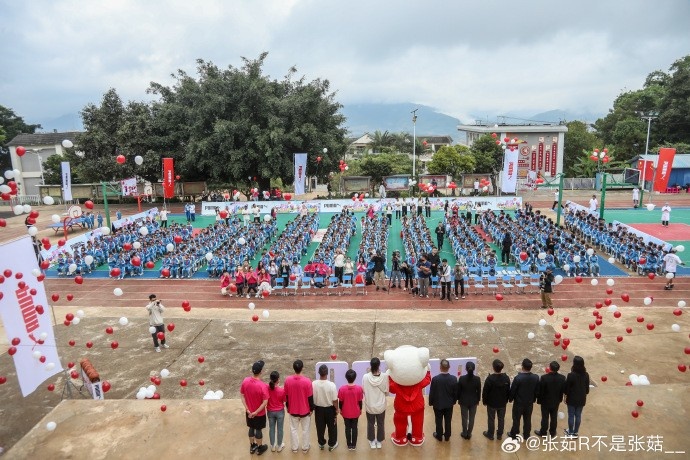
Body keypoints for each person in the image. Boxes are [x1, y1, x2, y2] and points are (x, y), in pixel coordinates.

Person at [283, 359, 314, 453]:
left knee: (293, 429)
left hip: (293, 410)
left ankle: (294, 448)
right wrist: (311, 409)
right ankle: (305, 448)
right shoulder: (307, 381)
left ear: (293, 368)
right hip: (305, 410)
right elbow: (310, 397)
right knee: (305, 430)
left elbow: (286, 396)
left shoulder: (287, 380)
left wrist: (288, 407)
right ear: (302, 368)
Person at [240, 360, 270, 455]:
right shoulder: (262, 386)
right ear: (261, 372)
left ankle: (252, 446)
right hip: (259, 414)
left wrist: (247, 409)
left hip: (249, 412)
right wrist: (256, 412)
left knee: (251, 428)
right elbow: (265, 402)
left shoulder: (245, 381)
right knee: (258, 430)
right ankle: (260, 447)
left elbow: (242, 395)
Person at [507, 358, 539, 440]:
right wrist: (534, 399)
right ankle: (526, 434)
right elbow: (536, 390)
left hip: (519, 403)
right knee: (528, 419)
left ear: (522, 367)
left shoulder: (518, 378)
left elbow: (513, 390)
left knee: (516, 419)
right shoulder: (535, 377)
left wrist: (510, 399)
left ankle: (514, 434)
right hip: (529, 403)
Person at [535, 361, 566, 438]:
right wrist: (560, 399)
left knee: (545, 417)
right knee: (554, 417)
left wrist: (539, 400)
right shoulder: (562, 378)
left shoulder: (544, 378)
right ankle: (552, 432)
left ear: (550, 368)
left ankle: (543, 432)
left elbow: (541, 391)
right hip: (556, 401)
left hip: (545, 401)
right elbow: (562, 390)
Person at [428, 358, 457, 442]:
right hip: (449, 404)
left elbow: (432, 392)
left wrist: (430, 402)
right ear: (449, 367)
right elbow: (455, 393)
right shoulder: (453, 379)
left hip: (438, 404)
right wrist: (453, 401)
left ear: (440, 367)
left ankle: (439, 435)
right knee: (448, 420)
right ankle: (447, 436)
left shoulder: (435, 379)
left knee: (438, 420)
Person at [362, 357, 388, 449]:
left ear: (371, 365)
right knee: (380, 423)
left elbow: (364, 390)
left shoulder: (365, 377)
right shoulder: (384, 376)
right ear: (379, 365)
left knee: (370, 423)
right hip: (381, 405)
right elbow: (386, 392)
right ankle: (379, 442)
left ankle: (372, 441)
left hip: (370, 405)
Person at [482, 359, 511, 441]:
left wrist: (484, 401)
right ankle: (499, 435)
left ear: (493, 368)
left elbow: (485, 392)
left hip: (491, 403)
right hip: (502, 403)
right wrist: (507, 400)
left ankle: (490, 434)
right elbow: (508, 390)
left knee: (491, 419)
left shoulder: (490, 379)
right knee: (501, 419)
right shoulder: (506, 378)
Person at [312, 364, 339, 451]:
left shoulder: (313, 384)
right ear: (327, 373)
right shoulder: (332, 385)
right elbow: (335, 400)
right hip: (330, 409)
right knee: (332, 427)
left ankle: (321, 443)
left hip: (318, 409)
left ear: (318, 373)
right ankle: (332, 444)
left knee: (320, 427)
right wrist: (337, 409)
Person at [563, 356, 590, 437]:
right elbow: (587, 390)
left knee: (571, 415)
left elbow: (567, 389)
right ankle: (576, 432)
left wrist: (565, 396)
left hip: (572, 399)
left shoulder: (571, 375)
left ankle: (570, 432)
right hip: (581, 399)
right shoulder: (586, 375)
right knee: (578, 415)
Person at [338, 369, 364, 451]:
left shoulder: (342, 389)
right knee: (355, 427)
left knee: (347, 428)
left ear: (346, 377)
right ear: (355, 377)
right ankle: (354, 445)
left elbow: (341, 402)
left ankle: (349, 445)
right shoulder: (359, 389)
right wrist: (360, 409)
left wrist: (341, 409)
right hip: (356, 412)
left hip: (345, 412)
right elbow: (360, 401)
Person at [457, 361, 481, 440]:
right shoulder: (477, 379)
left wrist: (458, 399)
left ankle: (464, 433)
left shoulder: (461, 378)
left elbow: (459, 391)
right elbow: (479, 391)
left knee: (464, 418)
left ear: (465, 369)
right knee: (472, 418)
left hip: (463, 401)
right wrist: (478, 400)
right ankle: (469, 433)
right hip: (473, 401)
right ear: (474, 369)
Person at [267, 371, 286, 452]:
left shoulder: (267, 388)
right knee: (280, 429)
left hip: (270, 411)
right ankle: (279, 445)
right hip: (280, 412)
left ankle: (272, 445)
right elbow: (284, 400)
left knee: (271, 428)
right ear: (278, 379)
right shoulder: (281, 391)